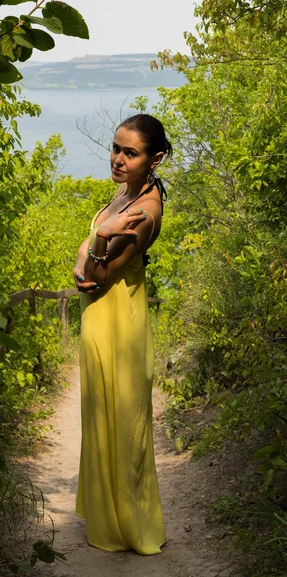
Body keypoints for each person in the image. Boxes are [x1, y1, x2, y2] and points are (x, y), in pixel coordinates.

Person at [73, 113, 172, 555]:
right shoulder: (122, 196)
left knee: (126, 425)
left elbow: (98, 276)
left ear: (156, 159)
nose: (117, 158)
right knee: (101, 419)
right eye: (116, 148)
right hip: (100, 323)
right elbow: (82, 274)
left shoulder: (144, 212)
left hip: (121, 328)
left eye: (130, 153)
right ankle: (105, 513)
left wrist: (96, 242)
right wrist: (96, 241)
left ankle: (131, 524)